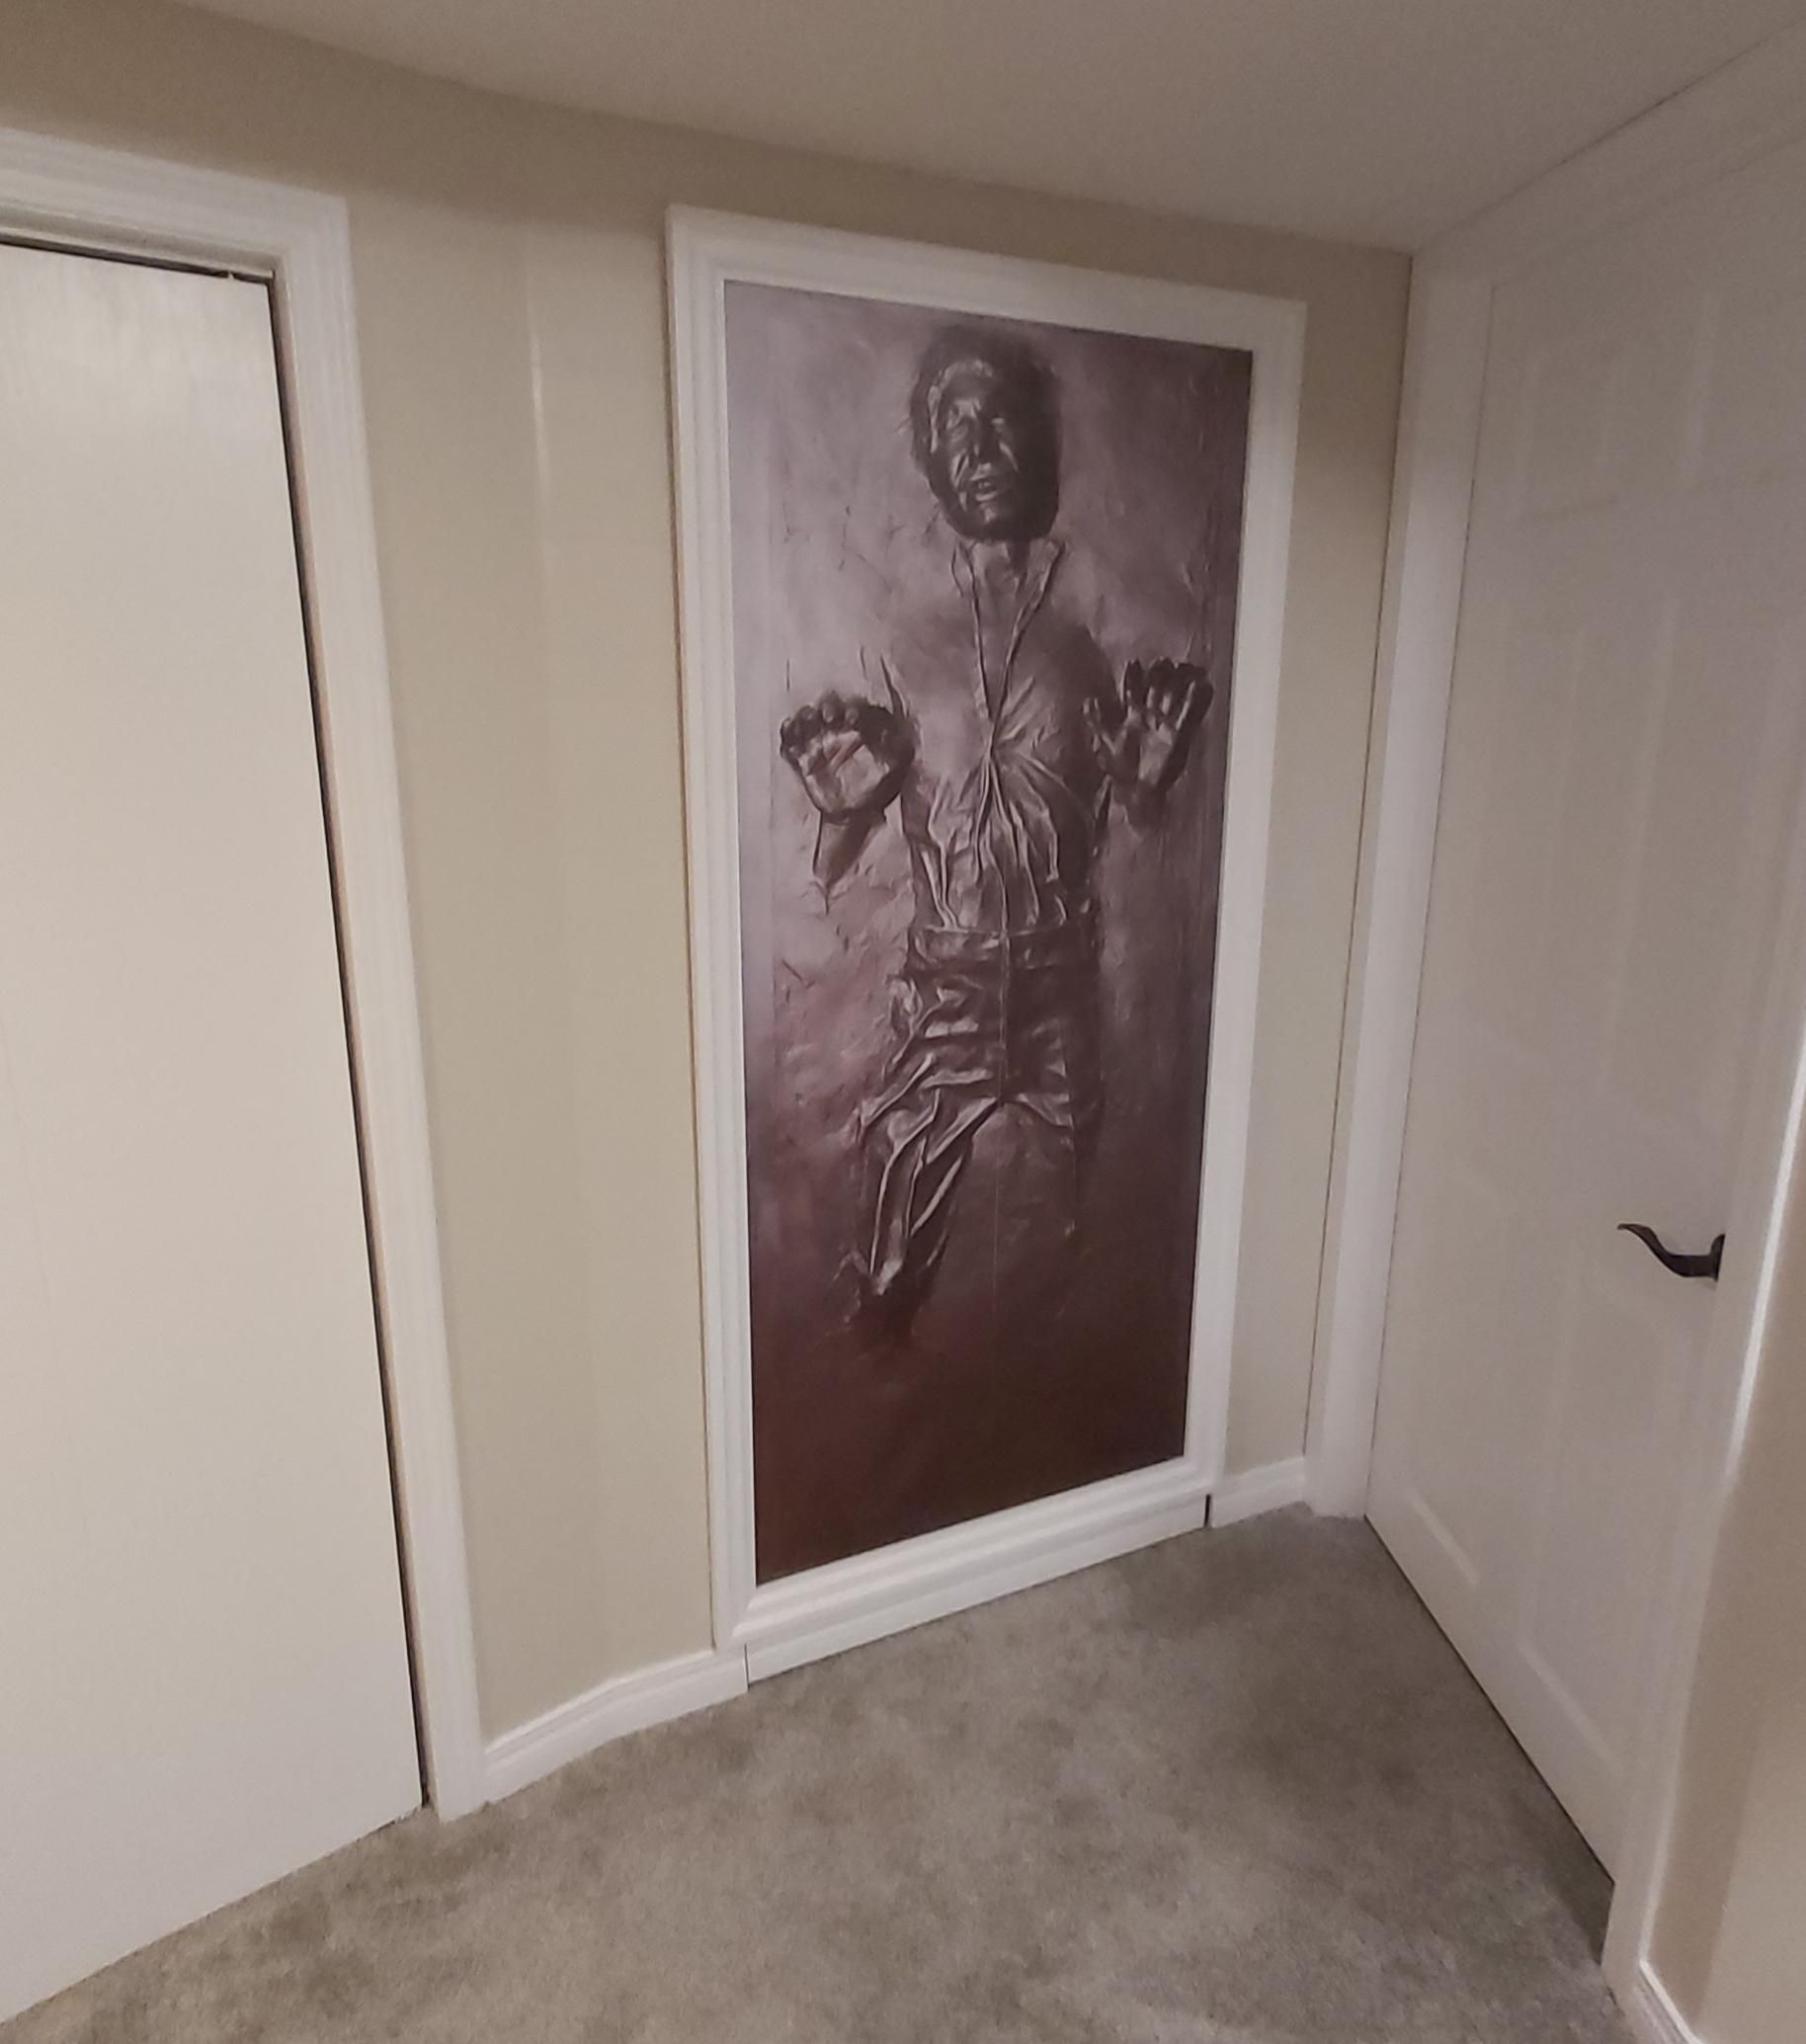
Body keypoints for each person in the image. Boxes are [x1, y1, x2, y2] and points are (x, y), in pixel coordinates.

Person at [778, 323, 1211, 1336]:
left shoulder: (1099, 632)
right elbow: (827, 878)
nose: (979, 448)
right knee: (884, 1278)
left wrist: (1150, 790)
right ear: (931, 461)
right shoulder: (899, 644)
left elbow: (1152, 841)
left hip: (1066, 997)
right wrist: (842, 817)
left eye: (1000, 420)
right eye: (954, 429)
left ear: (1039, 436)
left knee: (1086, 1257)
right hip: (946, 994)